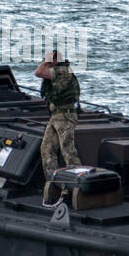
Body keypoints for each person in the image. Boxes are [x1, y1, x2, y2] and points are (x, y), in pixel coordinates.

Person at [35, 49, 81, 206]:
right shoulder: (56, 70)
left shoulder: (61, 71)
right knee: (47, 149)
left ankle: (76, 188)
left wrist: (46, 62)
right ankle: (55, 185)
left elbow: (39, 72)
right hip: (56, 115)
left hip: (65, 116)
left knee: (68, 151)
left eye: (48, 59)